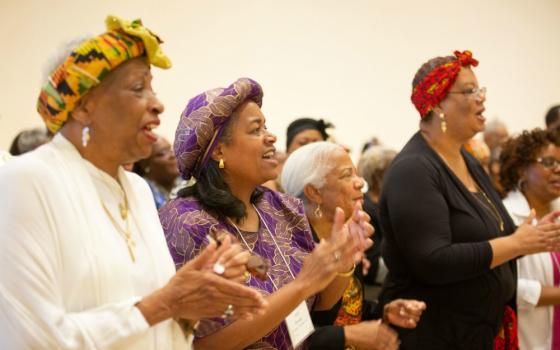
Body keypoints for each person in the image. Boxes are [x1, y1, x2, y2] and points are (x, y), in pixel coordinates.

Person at [0, 16, 266, 349]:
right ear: (82, 105)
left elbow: (153, 322)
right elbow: (32, 339)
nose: (157, 103)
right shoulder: (26, 183)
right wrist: (165, 303)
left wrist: (191, 306)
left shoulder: (138, 191)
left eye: (152, 87)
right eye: (138, 88)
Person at [160, 78, 371, 350]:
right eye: (255, 129)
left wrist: (343, 257)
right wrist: (301, 286)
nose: (270, 137)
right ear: (219, 150)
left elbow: (319, 307)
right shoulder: (185, 222)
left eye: (266, 126)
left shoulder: (283, 208)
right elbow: (199, 344)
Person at [377, 50, 560, 349]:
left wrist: (533, 238)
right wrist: (517, 243)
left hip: (477, 334)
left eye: (481, 89)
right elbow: (433, 261)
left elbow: (487, 242)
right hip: (430, 336)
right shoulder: (414, 169)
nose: (482, 98)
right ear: (438, 105)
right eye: (470, 90)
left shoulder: (468, 160)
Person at [282, 141, 426, 350]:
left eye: (356, 173)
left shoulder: (343, 238)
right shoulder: (291, 249)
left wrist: (382, 312)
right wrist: (347, 335)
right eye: (346, 175)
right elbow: (288, 334)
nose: (360, 182)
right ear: (314, 192)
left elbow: (346, 309)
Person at [499, 128, 560, 349]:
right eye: (549, 162)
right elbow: (503, 286)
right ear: (521, 169)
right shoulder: (504, 216)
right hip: (528, 341)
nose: (558, 169)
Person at [357, 145, 397, 285]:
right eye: (394, 169)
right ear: (378, 174)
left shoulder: (392, 203)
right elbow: (373, 267)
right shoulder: (365, 208)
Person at [133, 135, 182, 208]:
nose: (172, 155)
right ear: (145, 164)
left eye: (171, 149)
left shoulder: (187, 181)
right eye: (162, 153)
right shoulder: (141, 192)